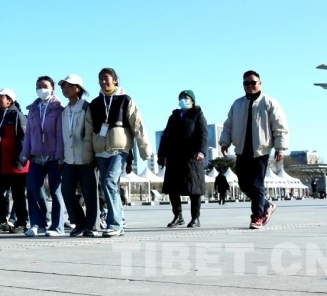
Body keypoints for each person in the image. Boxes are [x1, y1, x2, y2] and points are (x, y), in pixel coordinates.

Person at [85, 68, 151, 238]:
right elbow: (88, 132)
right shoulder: (95, 104)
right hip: (100, 151)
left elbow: (138, 125)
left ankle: (115, 224)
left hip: (119, 150)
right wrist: (88, 155)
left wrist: (145, 150)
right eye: (100, 79)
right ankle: (119, 220)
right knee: (110, 186)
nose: (103, 81)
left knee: (109, 182)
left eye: (106, 78)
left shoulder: (125, 100)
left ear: (115, 80)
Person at [220, 70, 289, 229]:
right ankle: (266, 205)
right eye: (246, 83)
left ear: (260, 83)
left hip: (261, 150)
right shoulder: (237, 104)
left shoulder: (269, 102)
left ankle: (257, 216)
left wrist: (280, 148)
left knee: (257, 184)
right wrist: (225, 142)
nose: (250, 85)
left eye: (253, 82)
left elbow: (280, 126)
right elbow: (229, 125)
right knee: (244, 184)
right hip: (242, 150)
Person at [21, 76, 65, 237]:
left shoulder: (58, 109)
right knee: (32, 189)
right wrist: (25, 154)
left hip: (53, 156)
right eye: (38, 87)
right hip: (36, 156)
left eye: (45, 86)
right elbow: (28, 134)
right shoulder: (33, 109)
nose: (42, 89)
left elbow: (60, 135)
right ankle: (37, 224)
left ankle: (57, 226)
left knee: (56, 191)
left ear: (52, 88)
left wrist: (60, 156)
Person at [157, 90, 208, 228]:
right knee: (173, 188)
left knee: (194, 188)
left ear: (192, 101)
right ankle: (178, 216)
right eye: (181, 98)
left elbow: (203, 135)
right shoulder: (174, 116)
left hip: (192, 158)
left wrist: (201, 152)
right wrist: (161, 154)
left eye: (186, 97)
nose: (183, 100)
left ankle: (195, 217)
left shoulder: (198, 115)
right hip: (174, 156)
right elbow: (165, 135)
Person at [58, 74, 97, 237]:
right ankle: (79, 222)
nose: (65, 89)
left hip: (85, 158)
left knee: (89, 194)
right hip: (69, 158)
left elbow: (92, 133)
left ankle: (91, 226)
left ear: (78, 89)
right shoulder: (64, 111)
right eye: (63, 87)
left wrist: (92, 156)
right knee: (66, 190)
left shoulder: (87, 108)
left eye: (69, 86)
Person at [0, 88, 28, 234]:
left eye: (1, 97)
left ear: (9, 100)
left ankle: (21, 222)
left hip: (15, 164)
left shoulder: (17, 116)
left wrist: (19, 160)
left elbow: (23, 139)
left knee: (18, 196)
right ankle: (1, 221)